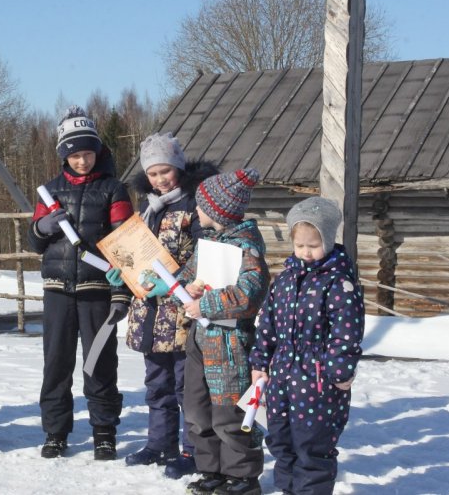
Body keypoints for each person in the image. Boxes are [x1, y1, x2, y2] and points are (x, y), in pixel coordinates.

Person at [106, 132, 218, 479]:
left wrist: (175, 282)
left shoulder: (194, 206)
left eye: (165, 171)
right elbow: (136, 255)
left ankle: (192, 449)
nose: (159, 179)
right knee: (157, 384)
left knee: (187, 387)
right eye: (152, 173)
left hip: (182, 314)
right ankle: (159, 443)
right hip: (150, 313)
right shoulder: (147, 209)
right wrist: (121, 272)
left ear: (179, 167)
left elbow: (205, 256)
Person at [28, 105, 134, 461]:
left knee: (99, 363)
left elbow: (126, 246)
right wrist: (43, 227)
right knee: (56, 364)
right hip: (57, 290)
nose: (82, 160)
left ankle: (104, 431)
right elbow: (35, 243)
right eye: (74, 154)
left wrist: (121, 293)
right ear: (64, 155)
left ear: (97, 152)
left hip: (97, 291)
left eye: (88, 153)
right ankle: (55, 432)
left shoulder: (113, 190)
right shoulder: (49, 191)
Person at [156, 168, 270, 495]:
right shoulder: (207, 242)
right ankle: (211, 470)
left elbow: (249, 294)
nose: (196, 210)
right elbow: (186, 277)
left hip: (229, 345)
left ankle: (242, 477)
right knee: (197, 408)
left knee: (229, 412)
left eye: (201, 206)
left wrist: (205, 304)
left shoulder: (247, 248)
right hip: (199, 341)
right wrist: (185, 288)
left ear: (218, 211)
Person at [249, 197, 365, 495]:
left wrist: (339, 372)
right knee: (281, 443)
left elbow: (346, 333)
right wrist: (260, 362)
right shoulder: (284, 281)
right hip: (281, 378)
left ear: (328, 240)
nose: (306, 252)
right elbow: (267, 325)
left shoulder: (339, 283)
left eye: (313, 245)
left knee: (312, 448)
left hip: (318, 383)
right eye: (299, 245)